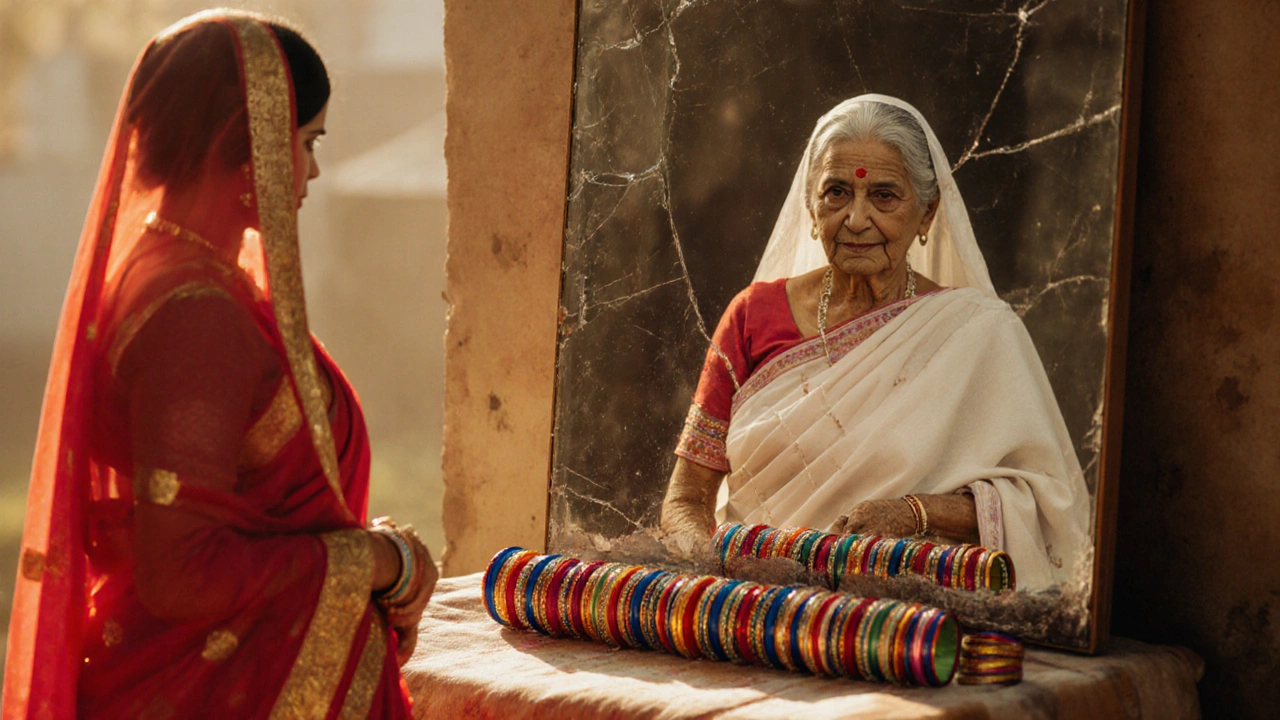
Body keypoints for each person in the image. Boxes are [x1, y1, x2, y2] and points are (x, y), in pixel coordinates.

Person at [2, 11, 435, 718]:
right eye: (306, 140)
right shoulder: (197, 313)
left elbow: (245, 506)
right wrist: (379, 561)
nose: (312, 169)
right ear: (246, 136)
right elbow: (179, 573)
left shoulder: (175, 274)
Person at [661, 94, 1090, 592]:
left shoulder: (978, 333)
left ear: (927, 214)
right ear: (811, 204)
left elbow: (1040, 502)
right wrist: (714, 573)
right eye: (837, 192)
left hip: (903, 622)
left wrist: (913, 513)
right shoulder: (753, 316)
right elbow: (685, 500)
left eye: (884, 196)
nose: (857, 218)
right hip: (755, 610)